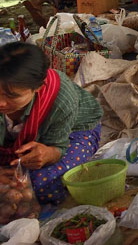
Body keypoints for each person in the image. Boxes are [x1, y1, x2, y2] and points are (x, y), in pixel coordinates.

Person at [0, 42, 103, 206]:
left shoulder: (60, 100)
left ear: (38, 87)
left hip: (72, 132)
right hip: (17, 139)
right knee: (11, 185)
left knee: (40, 184)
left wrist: (48, 153)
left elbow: (58, 147)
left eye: (11, 96)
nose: (1, 103)